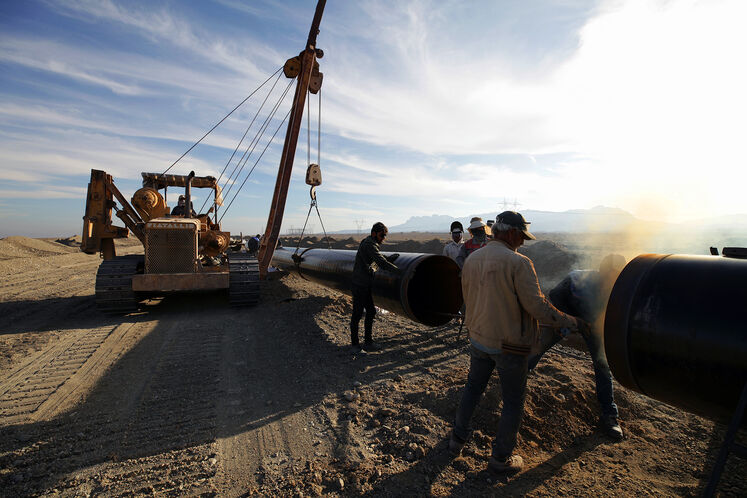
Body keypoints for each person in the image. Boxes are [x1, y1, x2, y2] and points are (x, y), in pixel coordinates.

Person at [449, 211, 588, 474]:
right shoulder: (519, 263)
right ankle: (500, 459)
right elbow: (537, 307)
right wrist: (571, 321)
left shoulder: (472, 259)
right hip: (509, 346)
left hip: (478, 339)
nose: (522, 242)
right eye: (521, 236)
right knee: (513, 401)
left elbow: (467, 296)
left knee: (473, 388)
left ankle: (456, 441)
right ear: (511, 233)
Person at [528, 254, 627, 440]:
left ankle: (609, 415)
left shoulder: (618, 289)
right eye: (613, 274)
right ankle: (523, 371)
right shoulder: (578, 280)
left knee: (602, 364)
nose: (615, 279)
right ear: (604, 272)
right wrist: (568, 322)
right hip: (568, 315)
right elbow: (554, 295)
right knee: (541, 345)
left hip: (591, 326)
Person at [350, 222, 400, 354]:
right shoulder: (369, 244)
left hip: (364, 284)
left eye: (385, 236)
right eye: (382, 235)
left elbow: (376, 258)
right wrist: (399, 272)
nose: (383, 238)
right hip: (360, 284)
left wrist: (389, 258)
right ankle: (355, 345)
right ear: (374, 234)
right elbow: (380, 262)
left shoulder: (371, 243)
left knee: (371, 311)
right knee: (357, 314)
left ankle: (368, 342)